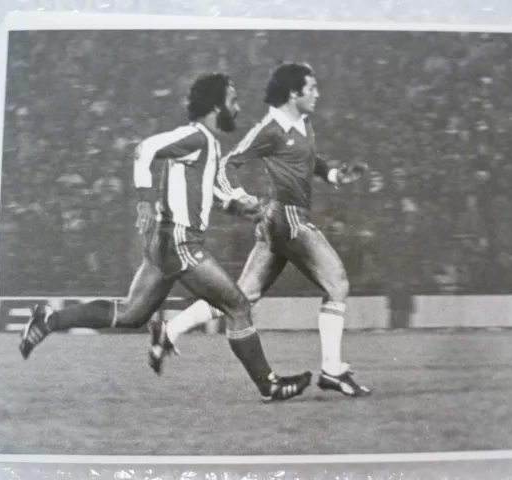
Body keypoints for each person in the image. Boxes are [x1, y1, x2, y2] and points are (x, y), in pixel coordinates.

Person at [18, 72, 313, 403]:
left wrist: (240, 206)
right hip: (181, 242)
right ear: (216, 106)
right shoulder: (196, 138)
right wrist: (143, 199)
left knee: (131, 315)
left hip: (166, 242)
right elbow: (144, 149)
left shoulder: (207, 144)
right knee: (238, 306)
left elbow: (207, 194)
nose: (238, 107)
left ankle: (49, 319)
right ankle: (268, 384)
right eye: (232, 101)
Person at [151, 63, 371, 398]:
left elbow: (309, 160)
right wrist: (240, 198)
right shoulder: (269, 128)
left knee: (241, 296)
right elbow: (228, 163)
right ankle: (332, 369)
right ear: (293, 93)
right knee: (337, 284)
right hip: (288, 219)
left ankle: (170, 330)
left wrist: (335, 175)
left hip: (277, 223)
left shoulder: (302, 123)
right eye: (311, 88)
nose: (317, 94)